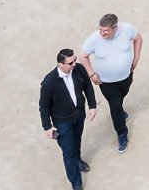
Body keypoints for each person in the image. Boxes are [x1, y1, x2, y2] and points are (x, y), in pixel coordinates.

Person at [80, 13, 142, 154]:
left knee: (120, 99)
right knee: (115, 107)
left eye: (105, 31)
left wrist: (136, 58)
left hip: (126, 77)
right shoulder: (94, 39)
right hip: (107, 83)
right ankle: (122, 134)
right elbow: (83, 56)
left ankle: (120, 110)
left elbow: (138, 39)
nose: (102, 33)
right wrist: (92, 74)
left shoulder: (127, 29)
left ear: (115, 28)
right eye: (100, 29)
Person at [39, 48, 97, 190]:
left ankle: (78, 160)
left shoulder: (79, 70)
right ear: (60, 64)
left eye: (75, 60)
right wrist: (47, 127)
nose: (74, 64)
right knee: (68, 152)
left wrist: (92, 106)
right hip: (62, 122)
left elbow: (88, 87)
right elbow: (43, 106)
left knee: (77, 140)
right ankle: (76, 182)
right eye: (70, 63)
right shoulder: (49, 82)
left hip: (79, 115)